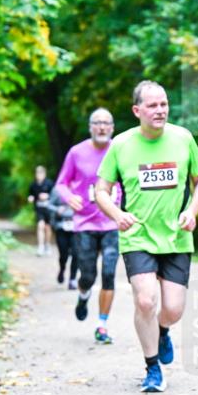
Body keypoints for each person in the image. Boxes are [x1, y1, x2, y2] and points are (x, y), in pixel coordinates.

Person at [94, 81, 198, 392]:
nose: (160, 110)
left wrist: (192, 210)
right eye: (153, 105)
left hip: (176, 236)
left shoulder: (183, 138)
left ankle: (162, 330)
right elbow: (100, 191)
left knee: (172, 309)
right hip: (138, 235)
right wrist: (118, 215)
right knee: (145, 300)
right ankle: (152, 368)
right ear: (137, 110)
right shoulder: (121, 144)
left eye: (164, 104)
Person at [55, 108, 121, 344]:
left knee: (110, 274)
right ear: (90, 126)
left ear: (112, 127)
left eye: (106, 123)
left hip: (112, 221)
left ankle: (102, 325)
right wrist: (68, 197)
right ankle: (84, 294)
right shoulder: (77, 152)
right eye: (97, 123)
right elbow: (61, 183)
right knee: (88, 275)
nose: (102, 127)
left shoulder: (120, 150)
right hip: (84, 222)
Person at [43, 190, 79, 288]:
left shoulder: (79, 185)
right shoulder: (57, 189)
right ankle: (62, 269)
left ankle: (72, 279)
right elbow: (48, 205)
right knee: (64, 255)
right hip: (61, 226)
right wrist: (58, 209)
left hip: (76, 227)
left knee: (76, 254)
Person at [27, 165, 54, 256]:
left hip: (49, 209)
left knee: (47, 228)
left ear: (44, 174)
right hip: (39, 209)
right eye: (37, 173)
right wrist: (31, 198)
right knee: (40, 226)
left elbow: (55, 196)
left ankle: (47, 245)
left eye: (41, 173)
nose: (39, 175)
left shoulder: (49, 183)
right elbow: (31, 195)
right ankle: (40, 246)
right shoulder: (33, 185)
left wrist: (48, 196)